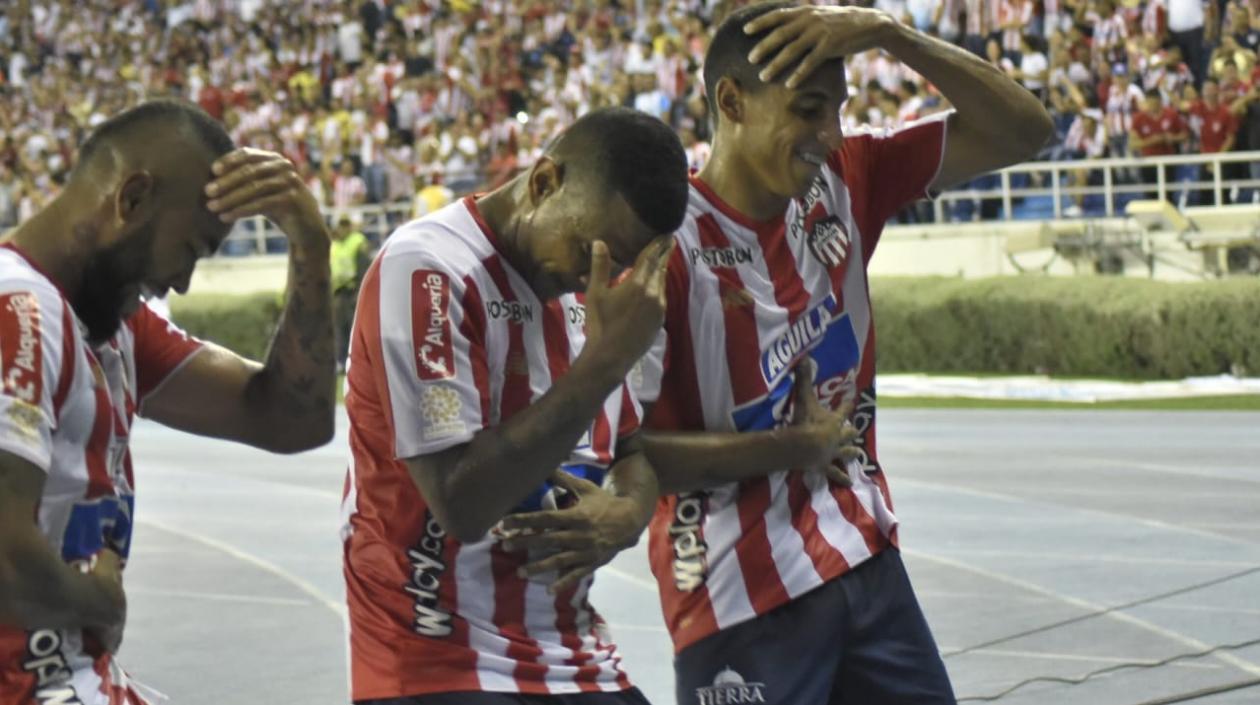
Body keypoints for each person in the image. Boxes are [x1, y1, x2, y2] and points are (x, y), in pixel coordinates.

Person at [510, 4, 1051, 704]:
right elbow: (627, 448)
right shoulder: (660, 253)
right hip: (736, 597)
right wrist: (787, 448)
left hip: (865, 560)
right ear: (732, 102)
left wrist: (891, 33)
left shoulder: (849, 178)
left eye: (839, 111)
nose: (829, 134)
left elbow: (1026, 130)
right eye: (808, 110)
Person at [340, 107, 689, 704]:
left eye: (620, 262)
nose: (591, 276)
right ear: (544, 182)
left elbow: (631, 447)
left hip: (572, 652)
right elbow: (461, 500)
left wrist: (629, 512)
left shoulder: (590, 295)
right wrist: (605, 362)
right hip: (435, 653)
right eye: (587, 248)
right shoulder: (429, 268)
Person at [0, 100, 335, 703]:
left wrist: (311, 249)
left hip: (76, 678)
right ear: (131, 199)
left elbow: (292, 420)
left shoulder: (112, 325)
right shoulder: (17, 313)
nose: (181, 283)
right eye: (191, 250)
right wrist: (96, 602)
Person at [331, 213, 371, 370]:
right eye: (341, 225)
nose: (343, 228)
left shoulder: (358, 242)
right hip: (337, 293)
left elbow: (364, 269)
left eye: (346, 224)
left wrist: (359, 293)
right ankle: (341, 362)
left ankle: (357, 361)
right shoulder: (334, 245)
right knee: (339, 329)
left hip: (353, 290)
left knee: (354, 329)